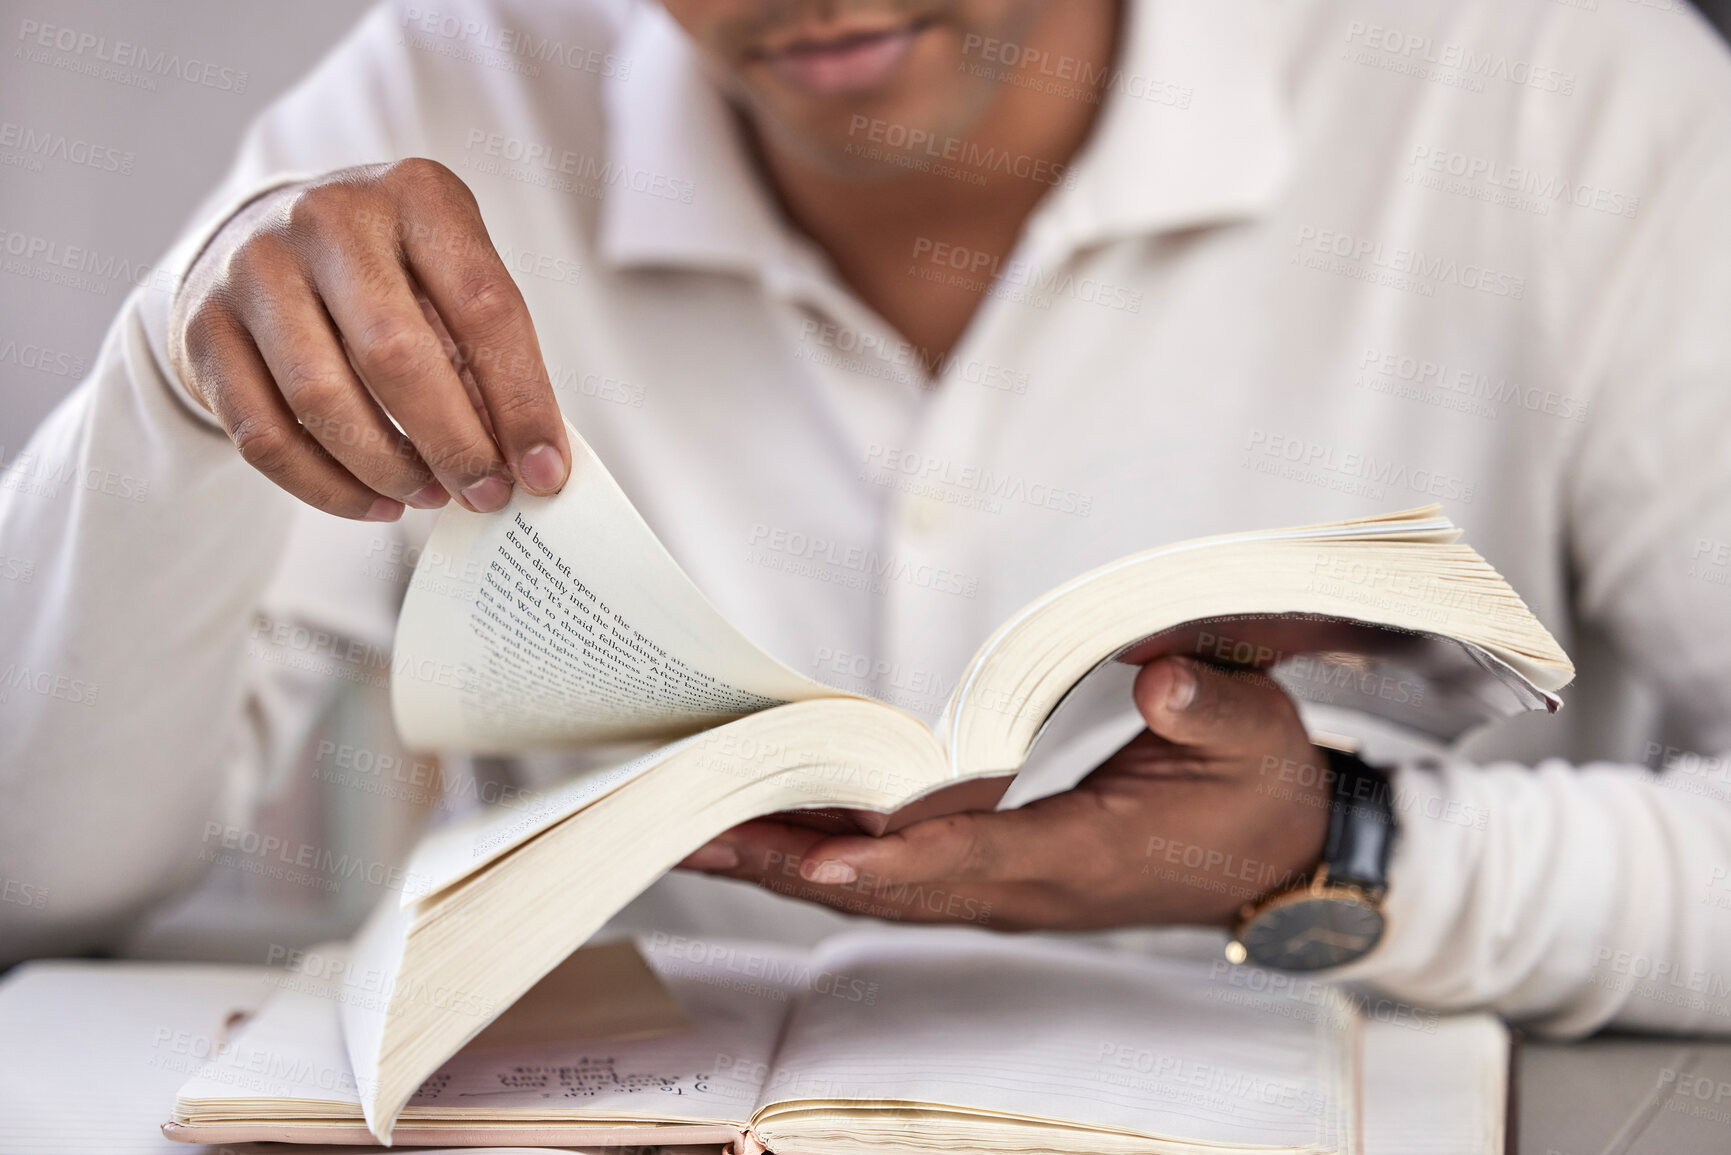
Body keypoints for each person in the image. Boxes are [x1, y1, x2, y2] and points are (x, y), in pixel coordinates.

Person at [3, 0, 1730, 1036]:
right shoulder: (449, 92)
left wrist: (1347, 852)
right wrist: (167, 380)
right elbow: (34, 880)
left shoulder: (1544, 82)